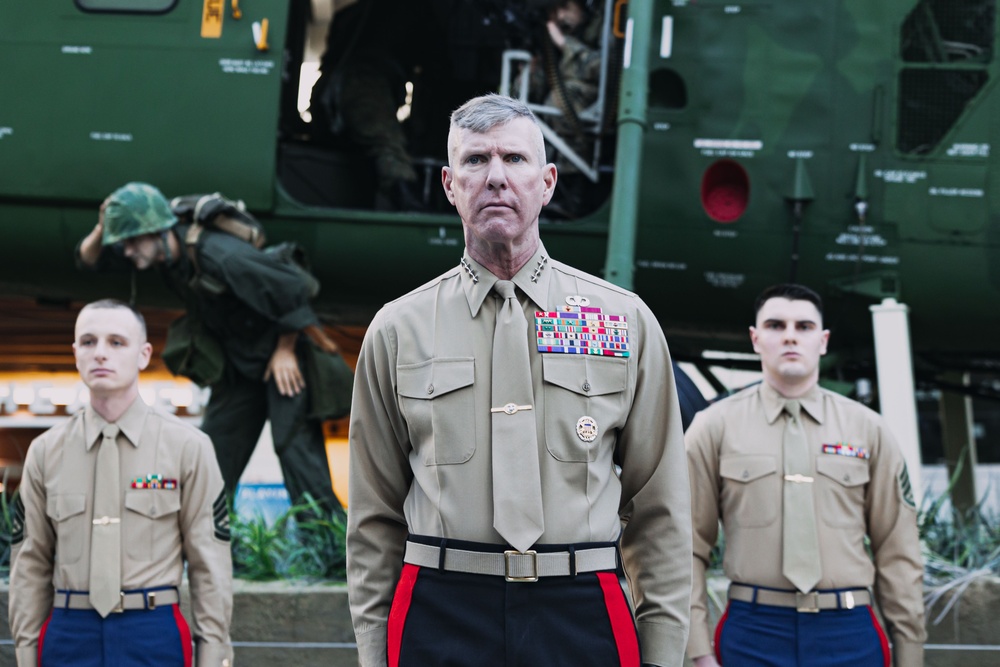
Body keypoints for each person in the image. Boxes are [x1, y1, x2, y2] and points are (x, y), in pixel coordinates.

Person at [347, 93, 691, 667]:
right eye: (476, 161)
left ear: (548, 181)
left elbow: (660, 510)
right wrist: (373, 652)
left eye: (515, 159)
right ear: (450, 184)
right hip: (441, 609)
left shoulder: (622, 320)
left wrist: (662, 654)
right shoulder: (397, 329)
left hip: (581, 608)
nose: (496, 178)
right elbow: (372, 517)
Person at [685, 284, 926, 666]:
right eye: (776, 325)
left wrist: (910, 653)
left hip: (849, 632)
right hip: (753, 632)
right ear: (755, 338)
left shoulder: (868, 429)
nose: (791, 335)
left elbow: (898, 550)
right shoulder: (712, 427)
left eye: (804, 326)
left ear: (823, 340)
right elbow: (685, 546)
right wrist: (697, 651)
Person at [75, 183, 344, 519]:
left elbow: (293, 287)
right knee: (214, 453)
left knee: (296, 452)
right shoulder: (157, 251)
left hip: (281, 358)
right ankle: (213, 545)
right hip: (239, 366)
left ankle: (333, 558)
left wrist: (286, 350)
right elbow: (89, 260)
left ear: (158, 231)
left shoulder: (220, 254)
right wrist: (105, 227)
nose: (127, 251)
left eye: (131, 241)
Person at [8, 299, 233, 666]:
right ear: (75, 353)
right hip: (69, 632)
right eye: (88, 342)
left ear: (144, 355)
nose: (100, 354)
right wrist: (26, 653)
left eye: (116, 342)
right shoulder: (45, 452)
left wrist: (213, 654)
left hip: (152, 630)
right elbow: (30, 564)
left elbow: (210, 563)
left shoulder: (187, 447)